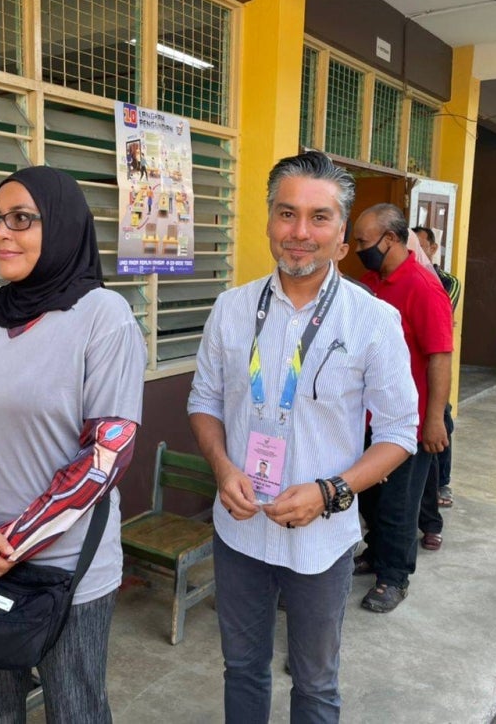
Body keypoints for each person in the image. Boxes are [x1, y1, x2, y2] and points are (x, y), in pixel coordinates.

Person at [188, 150, 417, 723]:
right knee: (241, 669)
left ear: (342, 236)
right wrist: (222, 468)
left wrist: (331, 491)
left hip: (323, 539)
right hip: (239, 530)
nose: (299, 232)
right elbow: (204, 402)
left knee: (315, 684)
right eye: (287, 214)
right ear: (268, 221)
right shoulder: (231, 309)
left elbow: (400, 433)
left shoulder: (372, 321)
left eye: (319, 218)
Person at [0, 166, 147, 722]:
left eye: (22, 219)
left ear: (64, 225)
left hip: (69, 569)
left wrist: (7, 544)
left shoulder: (104, 317)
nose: (2, 233)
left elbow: (107, 454)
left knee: (75, 708)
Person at [352, 204, 454, 609]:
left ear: (389, 239)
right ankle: (376, 554)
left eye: (363, 241)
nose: (358, 248)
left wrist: (433, 421)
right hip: (367, 417)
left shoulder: (424, 287)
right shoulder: (370, 282)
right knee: (367, 497)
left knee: (398, 502)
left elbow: (440, 356)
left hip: (407, 421)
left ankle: (394, 576)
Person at [412, 226, 460, 509]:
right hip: (411, 374)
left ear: (432, 248)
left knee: (442, 423)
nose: (415, 252)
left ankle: (443, 482)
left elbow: (444, 311)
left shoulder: (445, 282)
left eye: (420, 246)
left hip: (433, 368)